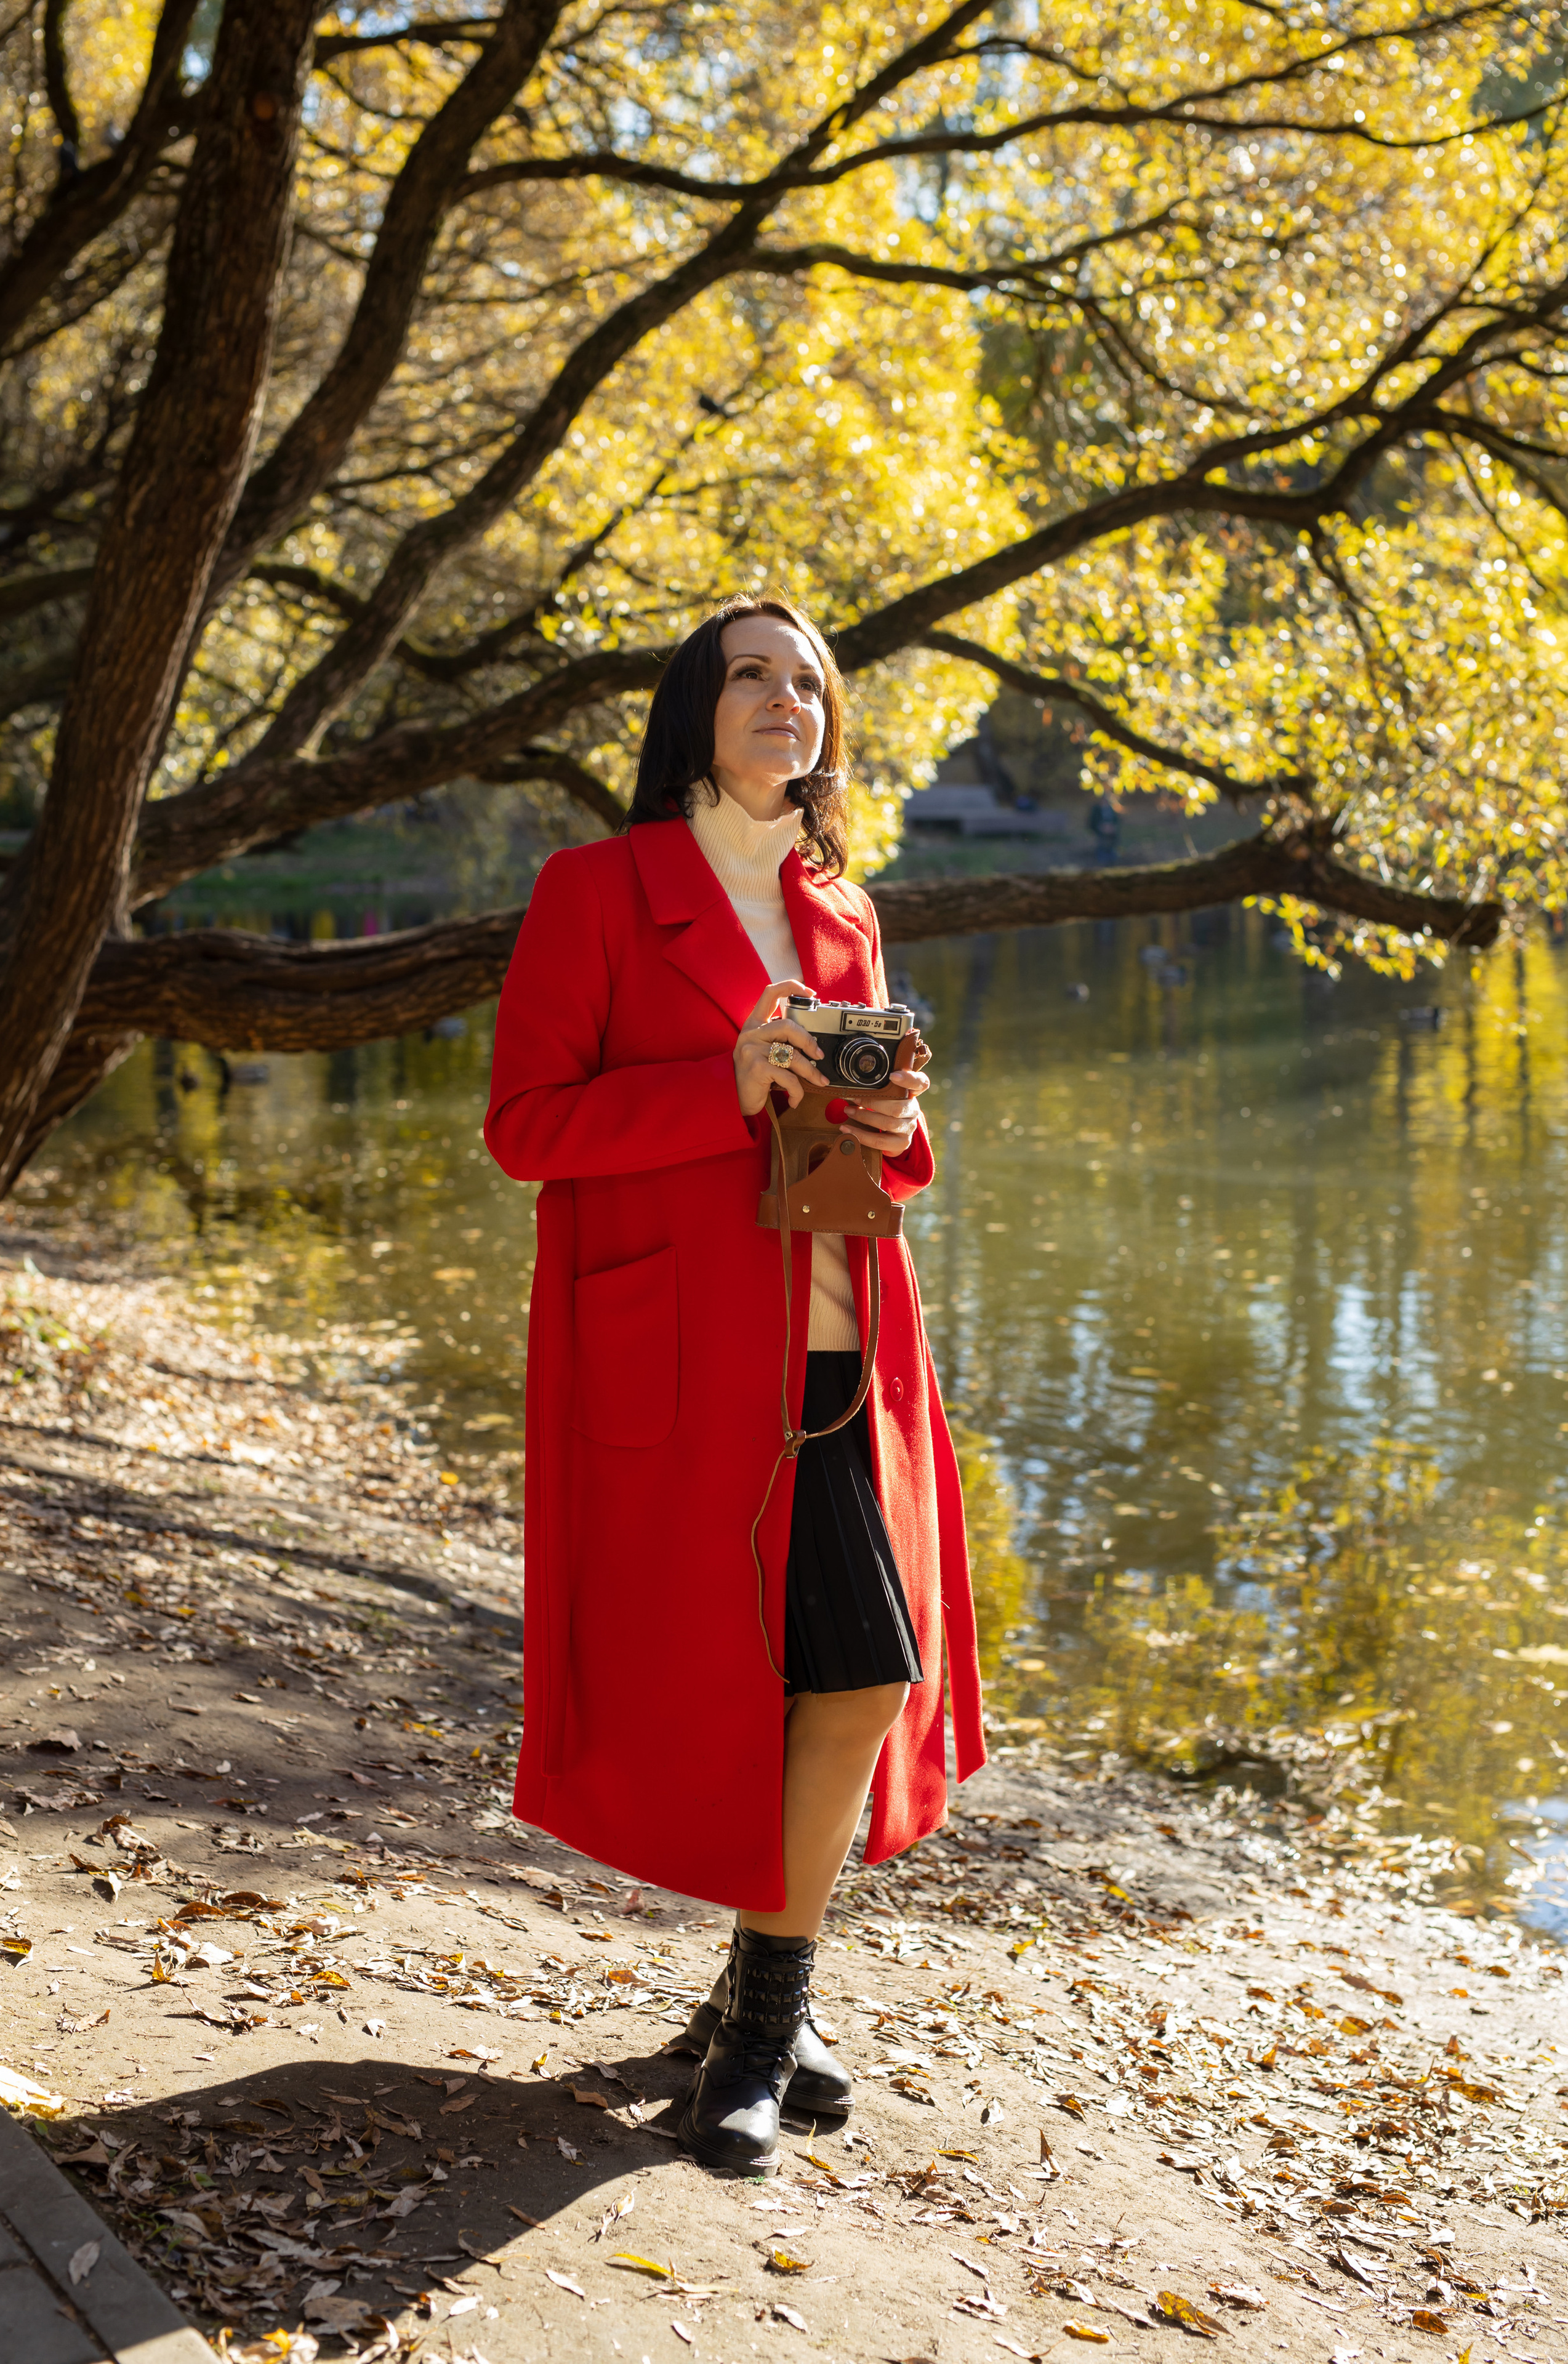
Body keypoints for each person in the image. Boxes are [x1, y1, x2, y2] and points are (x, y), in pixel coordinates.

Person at [483, 594, 986, 2176]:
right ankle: (762, 2021)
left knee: (861, 1674)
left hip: (846, 1336)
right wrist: (720, 1086)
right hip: (680, 1359)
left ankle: (759, 2019)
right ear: (696, 709)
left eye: (811, 682)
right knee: (740, 1681)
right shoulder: (597, 892)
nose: (789, 699)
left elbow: (881, 1146)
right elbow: (526, 1129)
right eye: (755, 676)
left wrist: (898, 1137)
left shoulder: (842, 911)